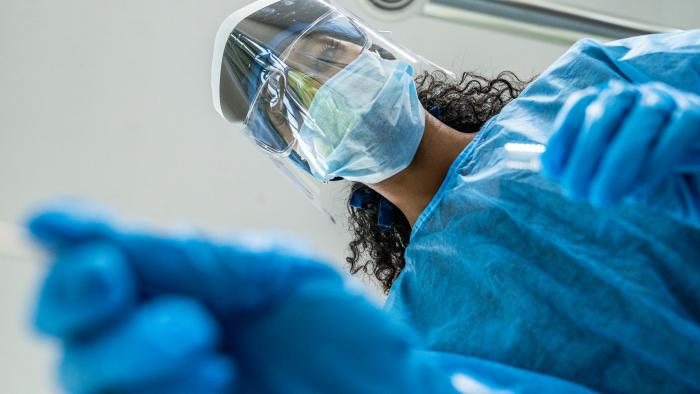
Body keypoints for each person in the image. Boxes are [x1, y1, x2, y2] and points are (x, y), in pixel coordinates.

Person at [29, 0, 700, 392]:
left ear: (382, 53)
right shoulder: (418, 334)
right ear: (306, 160)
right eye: (293, 108)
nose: (321, 95)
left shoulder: (585, 87)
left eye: (324, 61)